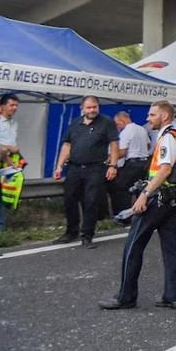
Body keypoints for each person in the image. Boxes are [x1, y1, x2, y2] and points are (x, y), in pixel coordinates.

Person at [99, 100, 176, 310]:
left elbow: (165, 169)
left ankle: (126, 296)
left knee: (133, 245)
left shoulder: (167, 137)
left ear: (164, 116)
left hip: (158, 197)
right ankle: (172, 295)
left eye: (152, 115)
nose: (148, 119)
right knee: (172, 248)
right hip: (173, 199)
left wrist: (144, 194)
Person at [53, 96, 120, 248]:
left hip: (95, 168)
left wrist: (113, 166)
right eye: (89, 108)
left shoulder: (106, 122)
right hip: (74, 167)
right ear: (82, 108)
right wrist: (59, 166)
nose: (92, 110)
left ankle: (87, 235)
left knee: (91, 201)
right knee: (69, 199)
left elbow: (114, 145)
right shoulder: (75, 123)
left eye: (94, 107)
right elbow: (67, 146)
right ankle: (71, 231)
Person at [110, 112, 151, 218]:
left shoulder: (126, 132)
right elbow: (148, 144)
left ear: (122, 121)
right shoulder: (142, 129)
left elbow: (122, 152)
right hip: (145, 162)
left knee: (122, 190)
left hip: (132, 164)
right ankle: (141, 214)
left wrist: (110, 158)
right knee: (140, 189)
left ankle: (124, 216)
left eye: (117, 124)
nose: (117, 126)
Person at [0, 94, 20, 232]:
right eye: (11, 105)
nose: (14, 108)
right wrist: (9, 150)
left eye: (16, 105)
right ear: (2, 106)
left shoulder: (14, 123)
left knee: (5, 195)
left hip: (9, 163)